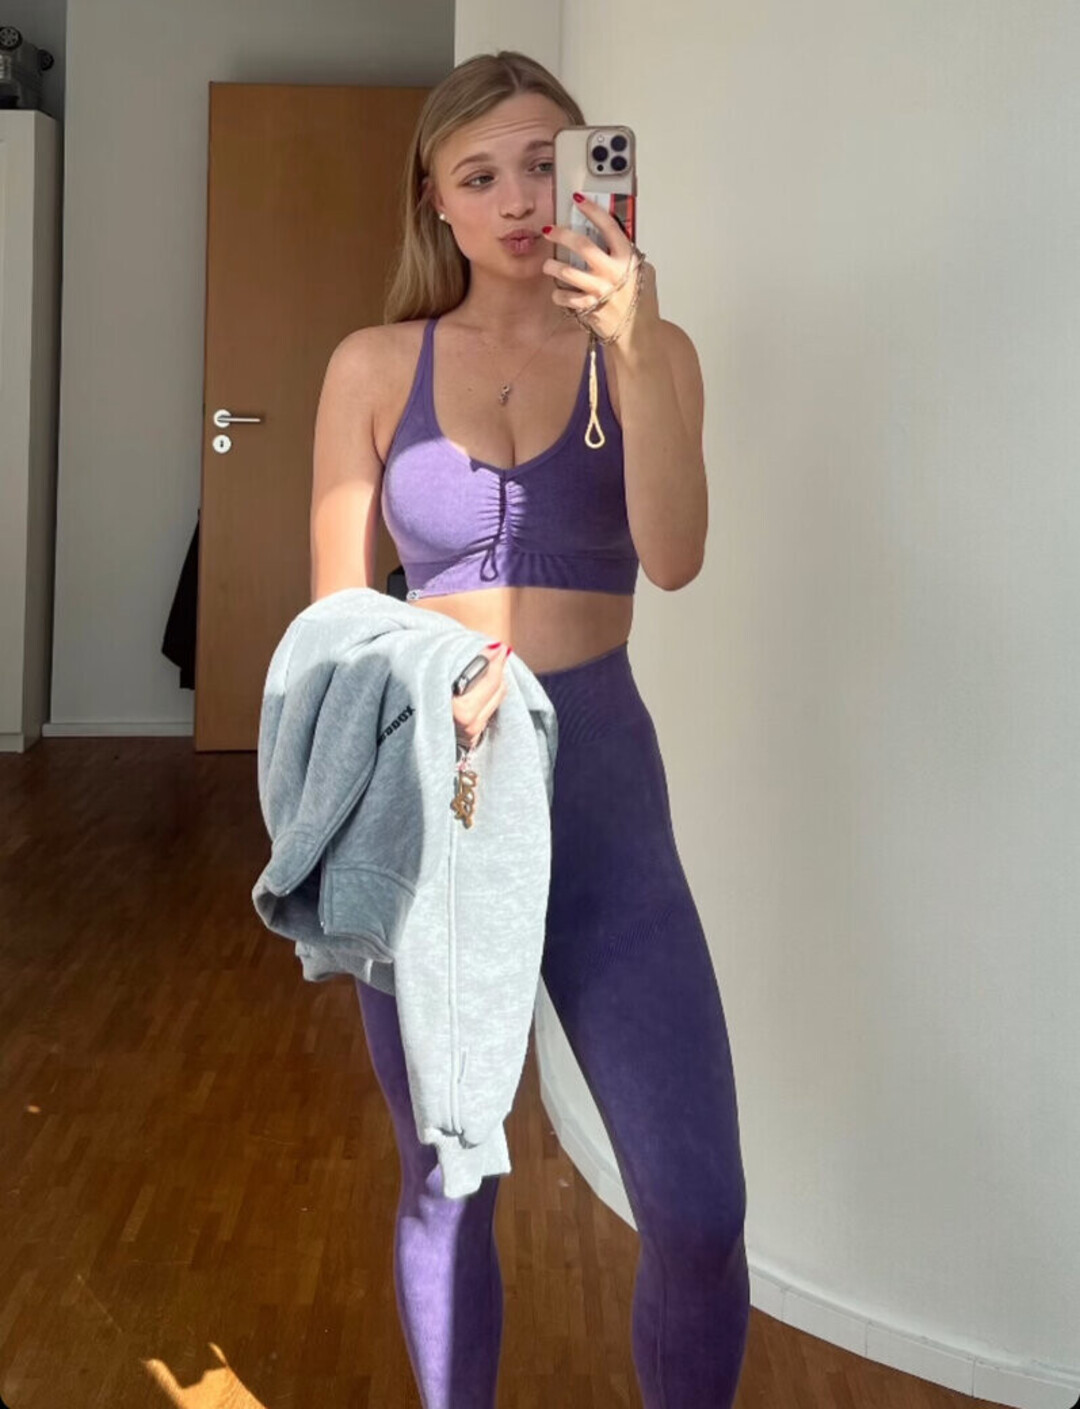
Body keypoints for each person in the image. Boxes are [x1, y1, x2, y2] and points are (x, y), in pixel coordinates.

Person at [309, 49, 750, 1409]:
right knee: (448, 1180)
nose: (516, 200)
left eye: (545, 167)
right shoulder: (373, 365)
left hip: (604, 788)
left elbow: (674, 556)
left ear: (590, 177)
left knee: (697, 1209)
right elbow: (333, 625)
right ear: (435, 200)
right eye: (480, 173)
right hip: (432, 797)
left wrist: (632, 344)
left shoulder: (655, 352)